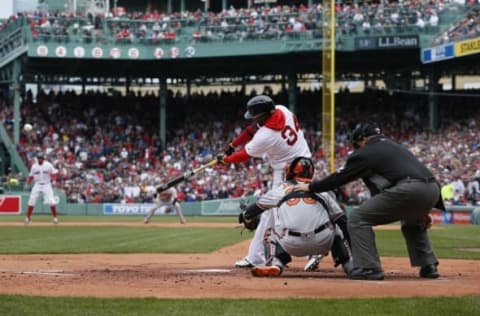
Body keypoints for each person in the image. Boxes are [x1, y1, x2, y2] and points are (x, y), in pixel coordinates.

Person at [292, 122, 444, 280]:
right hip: (432, 189)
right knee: (412, 223)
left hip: (409, 189)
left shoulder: (366, 152)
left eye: (357, 144)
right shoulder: (396, 147)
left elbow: (340, 178)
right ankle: (428, 266)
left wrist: (311, 187)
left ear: (363, 140)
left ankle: (369, 268)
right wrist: (422, 210)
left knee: (357, 218)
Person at [218, 95, 320, 271]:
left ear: (264, 114)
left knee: (269, 213)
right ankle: (316, 249)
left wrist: (226, 159)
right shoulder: (282, 110)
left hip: (287, 172)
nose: (253, 119)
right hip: (307, 165)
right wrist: (232, 144)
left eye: (255, 115)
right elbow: (251, 129)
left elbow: (245, 155)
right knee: (310, 208)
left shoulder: (267, 135)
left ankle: (257, 257)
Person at [238, 157, 353, 277]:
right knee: (337, 227)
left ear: (291, 172)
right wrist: (352, 248)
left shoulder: (281, 189)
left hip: (292, 244)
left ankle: (275, 264)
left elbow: (255, 208)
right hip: (322, 242)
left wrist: (245, 216)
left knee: (269, 231)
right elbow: (343, 221)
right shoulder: (323, 190)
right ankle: (350, 265)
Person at [24, 152, 59, 224]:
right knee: (31, 200)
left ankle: (55, 218)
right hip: (37, 184)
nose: (40, 159)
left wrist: (54, 180)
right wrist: (27, 183)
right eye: (39, 158)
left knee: (51, 201)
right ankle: (28, 218)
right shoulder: (34, 166)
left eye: (41, 158)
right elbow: (31, 176)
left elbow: (55, 173)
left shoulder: (48, 165)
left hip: (47, 184)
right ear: (37, 159)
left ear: (43, 159)